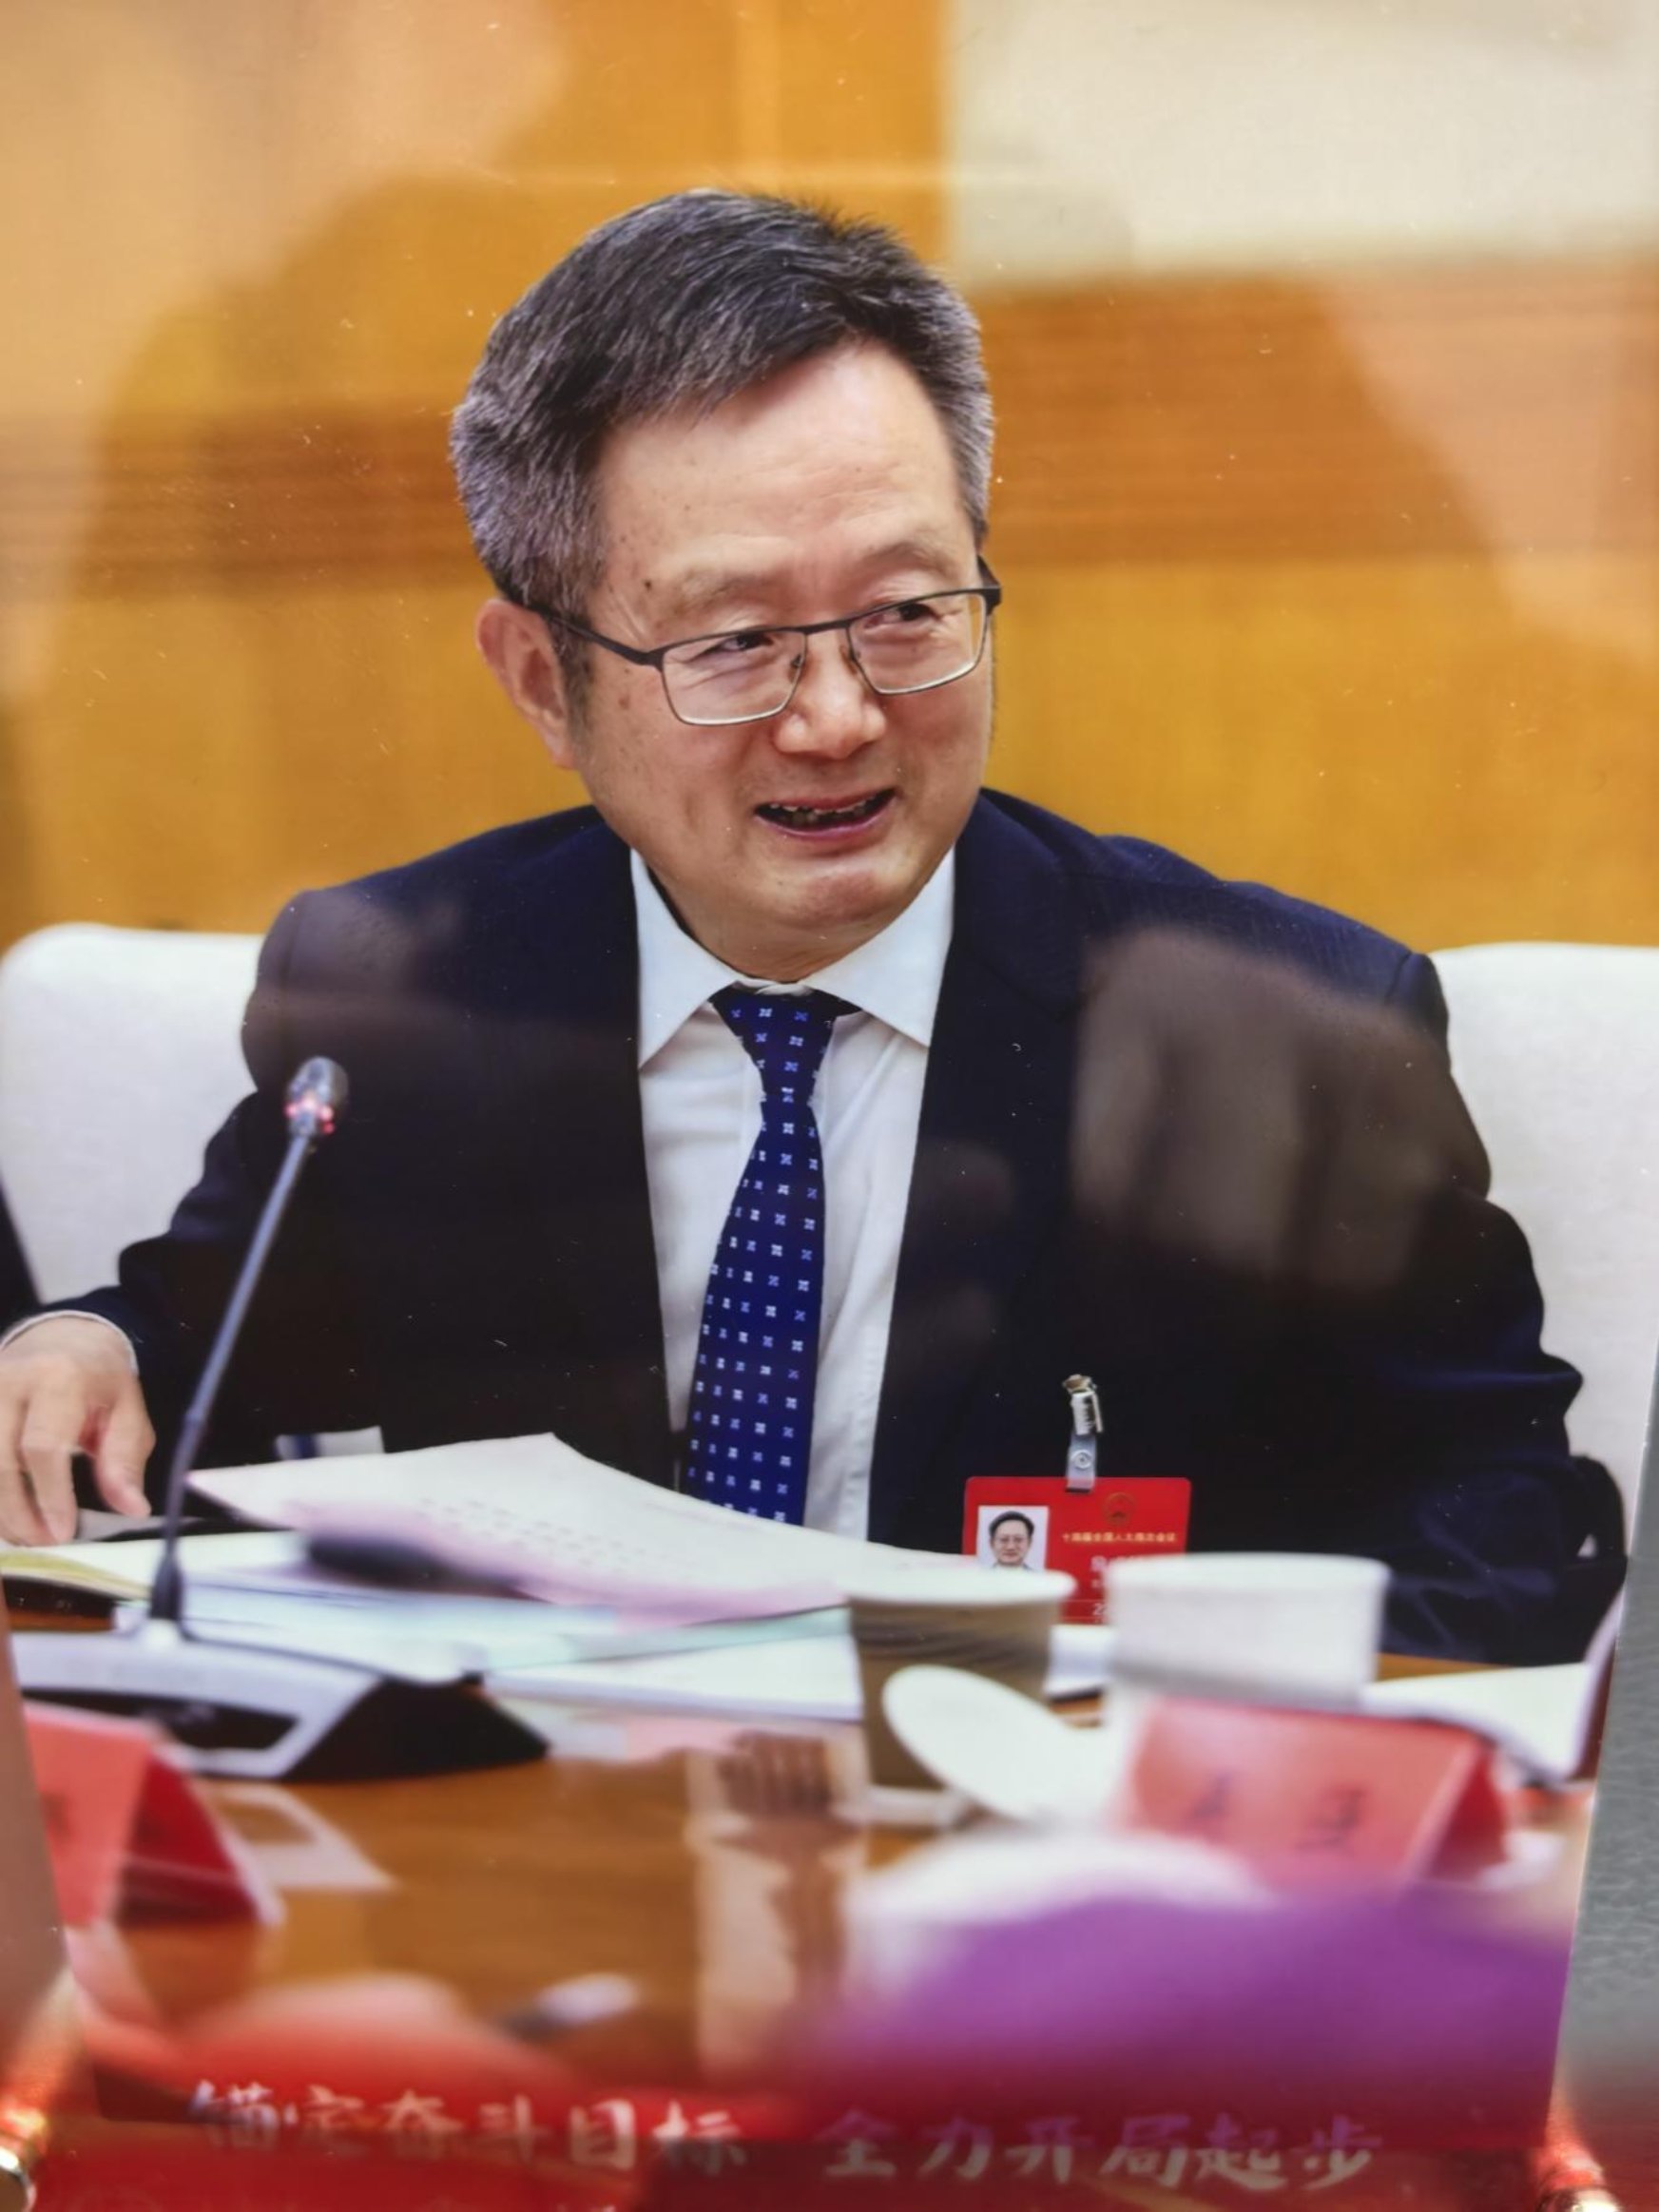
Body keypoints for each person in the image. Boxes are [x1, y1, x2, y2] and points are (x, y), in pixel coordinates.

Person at [0, 192, 1624, 1663]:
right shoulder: (409, 998)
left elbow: (1502, 1530)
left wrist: (1179, 1691)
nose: (838, 718)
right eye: (733, 644)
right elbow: (198, 1354)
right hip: (561, 1845)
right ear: (544, 684)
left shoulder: (1292, 1028)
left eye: (907, 614)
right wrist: (82, 1349)